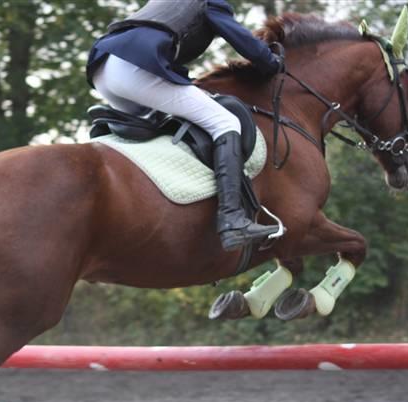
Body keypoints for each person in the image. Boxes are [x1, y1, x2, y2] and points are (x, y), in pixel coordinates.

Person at [87, 0, 282, 252]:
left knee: (167, 127)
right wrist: (272, 62)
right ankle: (232, 219)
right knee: (224, 121)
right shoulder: (210, 2)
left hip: (103, 69)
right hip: (133, 67)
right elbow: (241, 40)